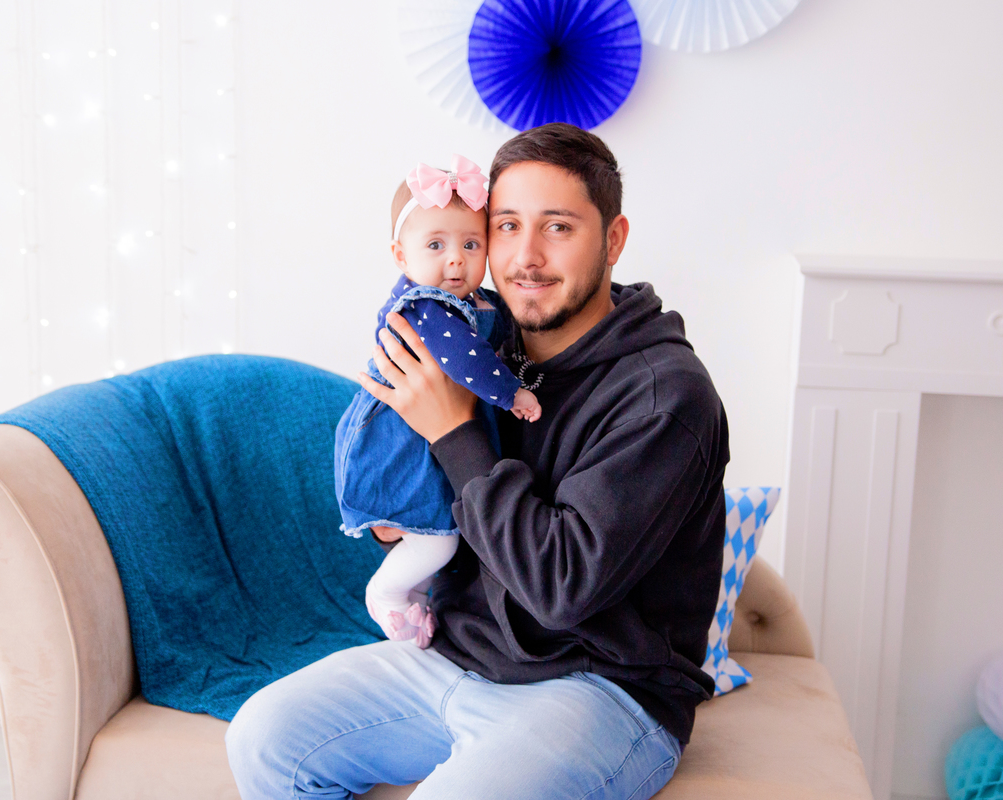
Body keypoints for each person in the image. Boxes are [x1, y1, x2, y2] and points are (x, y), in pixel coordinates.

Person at [226, 123, 730, 800]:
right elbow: (447, 501)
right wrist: (402, 512)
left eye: (558, 227)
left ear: (612, 239)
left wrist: (454, 434)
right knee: (262, 737)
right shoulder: (484, 342)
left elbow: (562, 586)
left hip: (601, 690)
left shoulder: (666, 396)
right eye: (507, 225)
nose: (526, 256)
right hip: (461, 659)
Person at [334, 154, 541, 648]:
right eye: (436, 245)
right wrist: (512, 392)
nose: (456, 259)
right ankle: (388, 594)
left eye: (471, 244)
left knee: (446, 531)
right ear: (401, 256)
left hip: (432, 438)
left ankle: (417, 602)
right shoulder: (428, 307)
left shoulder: (477, 301)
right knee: (438, 536)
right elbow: (465, 360)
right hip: (400, 443)